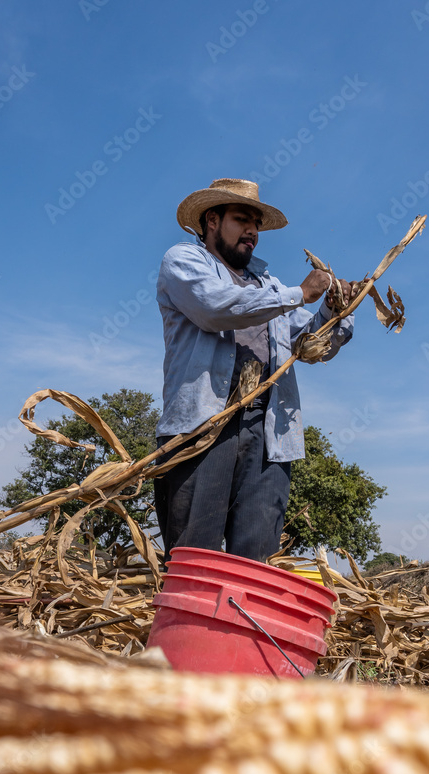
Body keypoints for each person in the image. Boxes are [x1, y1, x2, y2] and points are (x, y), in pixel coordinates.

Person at [153, 178, 356, 565]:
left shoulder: (268, 286)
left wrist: (334, 310)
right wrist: (300, 294)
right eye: (242, 220)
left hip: (268, 431)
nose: (252, 231)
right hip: (204, 426)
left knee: (256, 560)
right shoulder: (184, 260)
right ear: (212, 220)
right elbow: (214, 309)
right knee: (194, 557)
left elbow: (313, 345)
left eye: (256, 224)